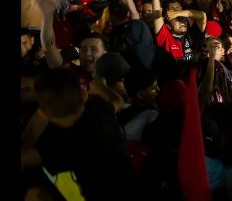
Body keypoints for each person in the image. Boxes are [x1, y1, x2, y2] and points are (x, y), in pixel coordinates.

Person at [22, 68, 142, 200]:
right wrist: (100, 86)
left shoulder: (55, 144)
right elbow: (118, 101)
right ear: (84, 95)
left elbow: (25, 156)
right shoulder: (100, 114)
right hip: (131, 190)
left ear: (43, 113)